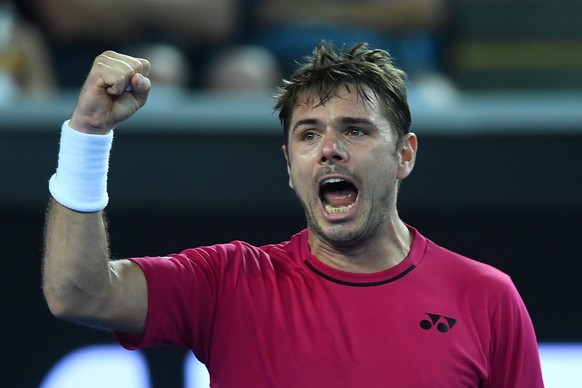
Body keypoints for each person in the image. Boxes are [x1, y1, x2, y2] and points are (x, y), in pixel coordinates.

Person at [42, 43, 544, 387]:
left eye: (356, 130)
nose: (329, 149)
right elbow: (77, 292)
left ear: (405, 156)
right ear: (290, 165)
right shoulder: (228, 283)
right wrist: (87, 133)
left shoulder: (486, 298)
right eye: (308, 134)